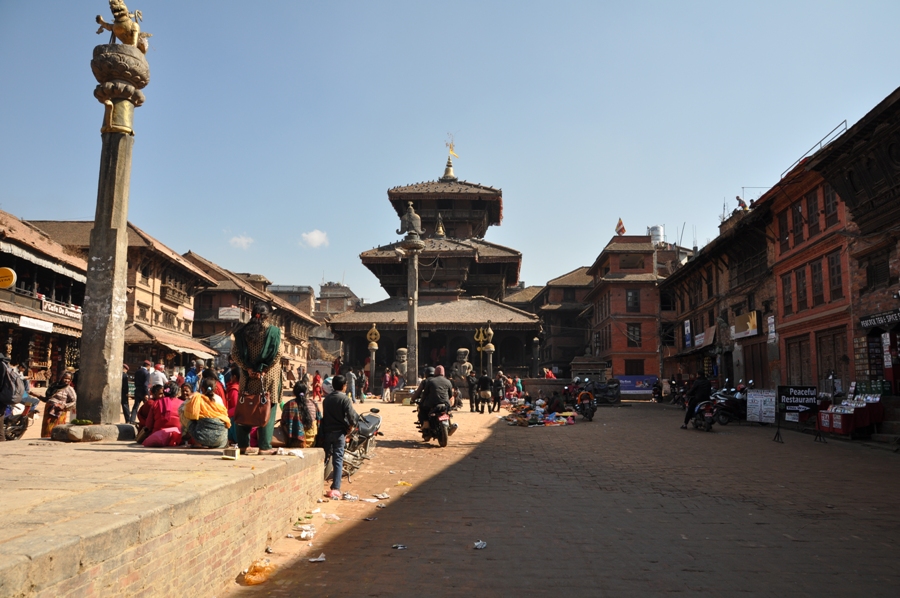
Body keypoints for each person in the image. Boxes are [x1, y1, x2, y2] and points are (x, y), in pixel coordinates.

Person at [231, 302, 283, 456]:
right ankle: (265, 446)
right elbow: (277, 354)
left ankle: (243, 446)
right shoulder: (273, 331)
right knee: (268, 407)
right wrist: (264, 370)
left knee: (246, 407)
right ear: (267, 316)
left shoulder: (242, 332)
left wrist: (248, 368)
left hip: (247, 377)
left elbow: (235, 354)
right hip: (268, 378)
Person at [320, 375, 358, 500]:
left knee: (324, 459)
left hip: (327, 432)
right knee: (338, 460)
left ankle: (319, 483)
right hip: (339, 433)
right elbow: (351, 417)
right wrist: (350, 427)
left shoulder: (327, 399)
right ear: (343, 386)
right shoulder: (345, 399)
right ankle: (336, 487)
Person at [183, 378, 231, 448]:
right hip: (221, 440)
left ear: (202, 388)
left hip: (202, 438)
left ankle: (197, 443)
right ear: (215, 389)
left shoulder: (198, 398)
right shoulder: (219, 398)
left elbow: (189, 413)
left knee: (184, 412)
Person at [282, 382, 320, 448]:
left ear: (294, 392)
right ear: (306, 392)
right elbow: (319, 421)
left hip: (295, 442)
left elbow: (283, 422)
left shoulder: (289, 404)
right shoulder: (313, 403)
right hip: (311, 442)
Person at [41, 371, 77, 438]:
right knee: (46, 428)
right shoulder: (53, 386)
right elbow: (47, 398)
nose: (66, 380)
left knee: (57, 428)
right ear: (61, 378)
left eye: (69, 379)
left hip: (59, 412)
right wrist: (36, 395)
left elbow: (74, 401)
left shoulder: (69, 389)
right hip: (49, 410)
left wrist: (64, 406)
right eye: (65, 378)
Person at [130, 360, 151, 424]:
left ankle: (132, 420)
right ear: (148, 366)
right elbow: (145, 384)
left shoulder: (137, 372)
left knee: (135, 406)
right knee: (148, 406)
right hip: (143, 391)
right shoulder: (147, 373)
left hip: (137, 390)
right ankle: (147, 420)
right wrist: (146, 393)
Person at [225, 366, 240, 445]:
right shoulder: (240, 387)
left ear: (234, 377)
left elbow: (236, 408)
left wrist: (225, 414)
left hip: (234, 420)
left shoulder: (234, 390)